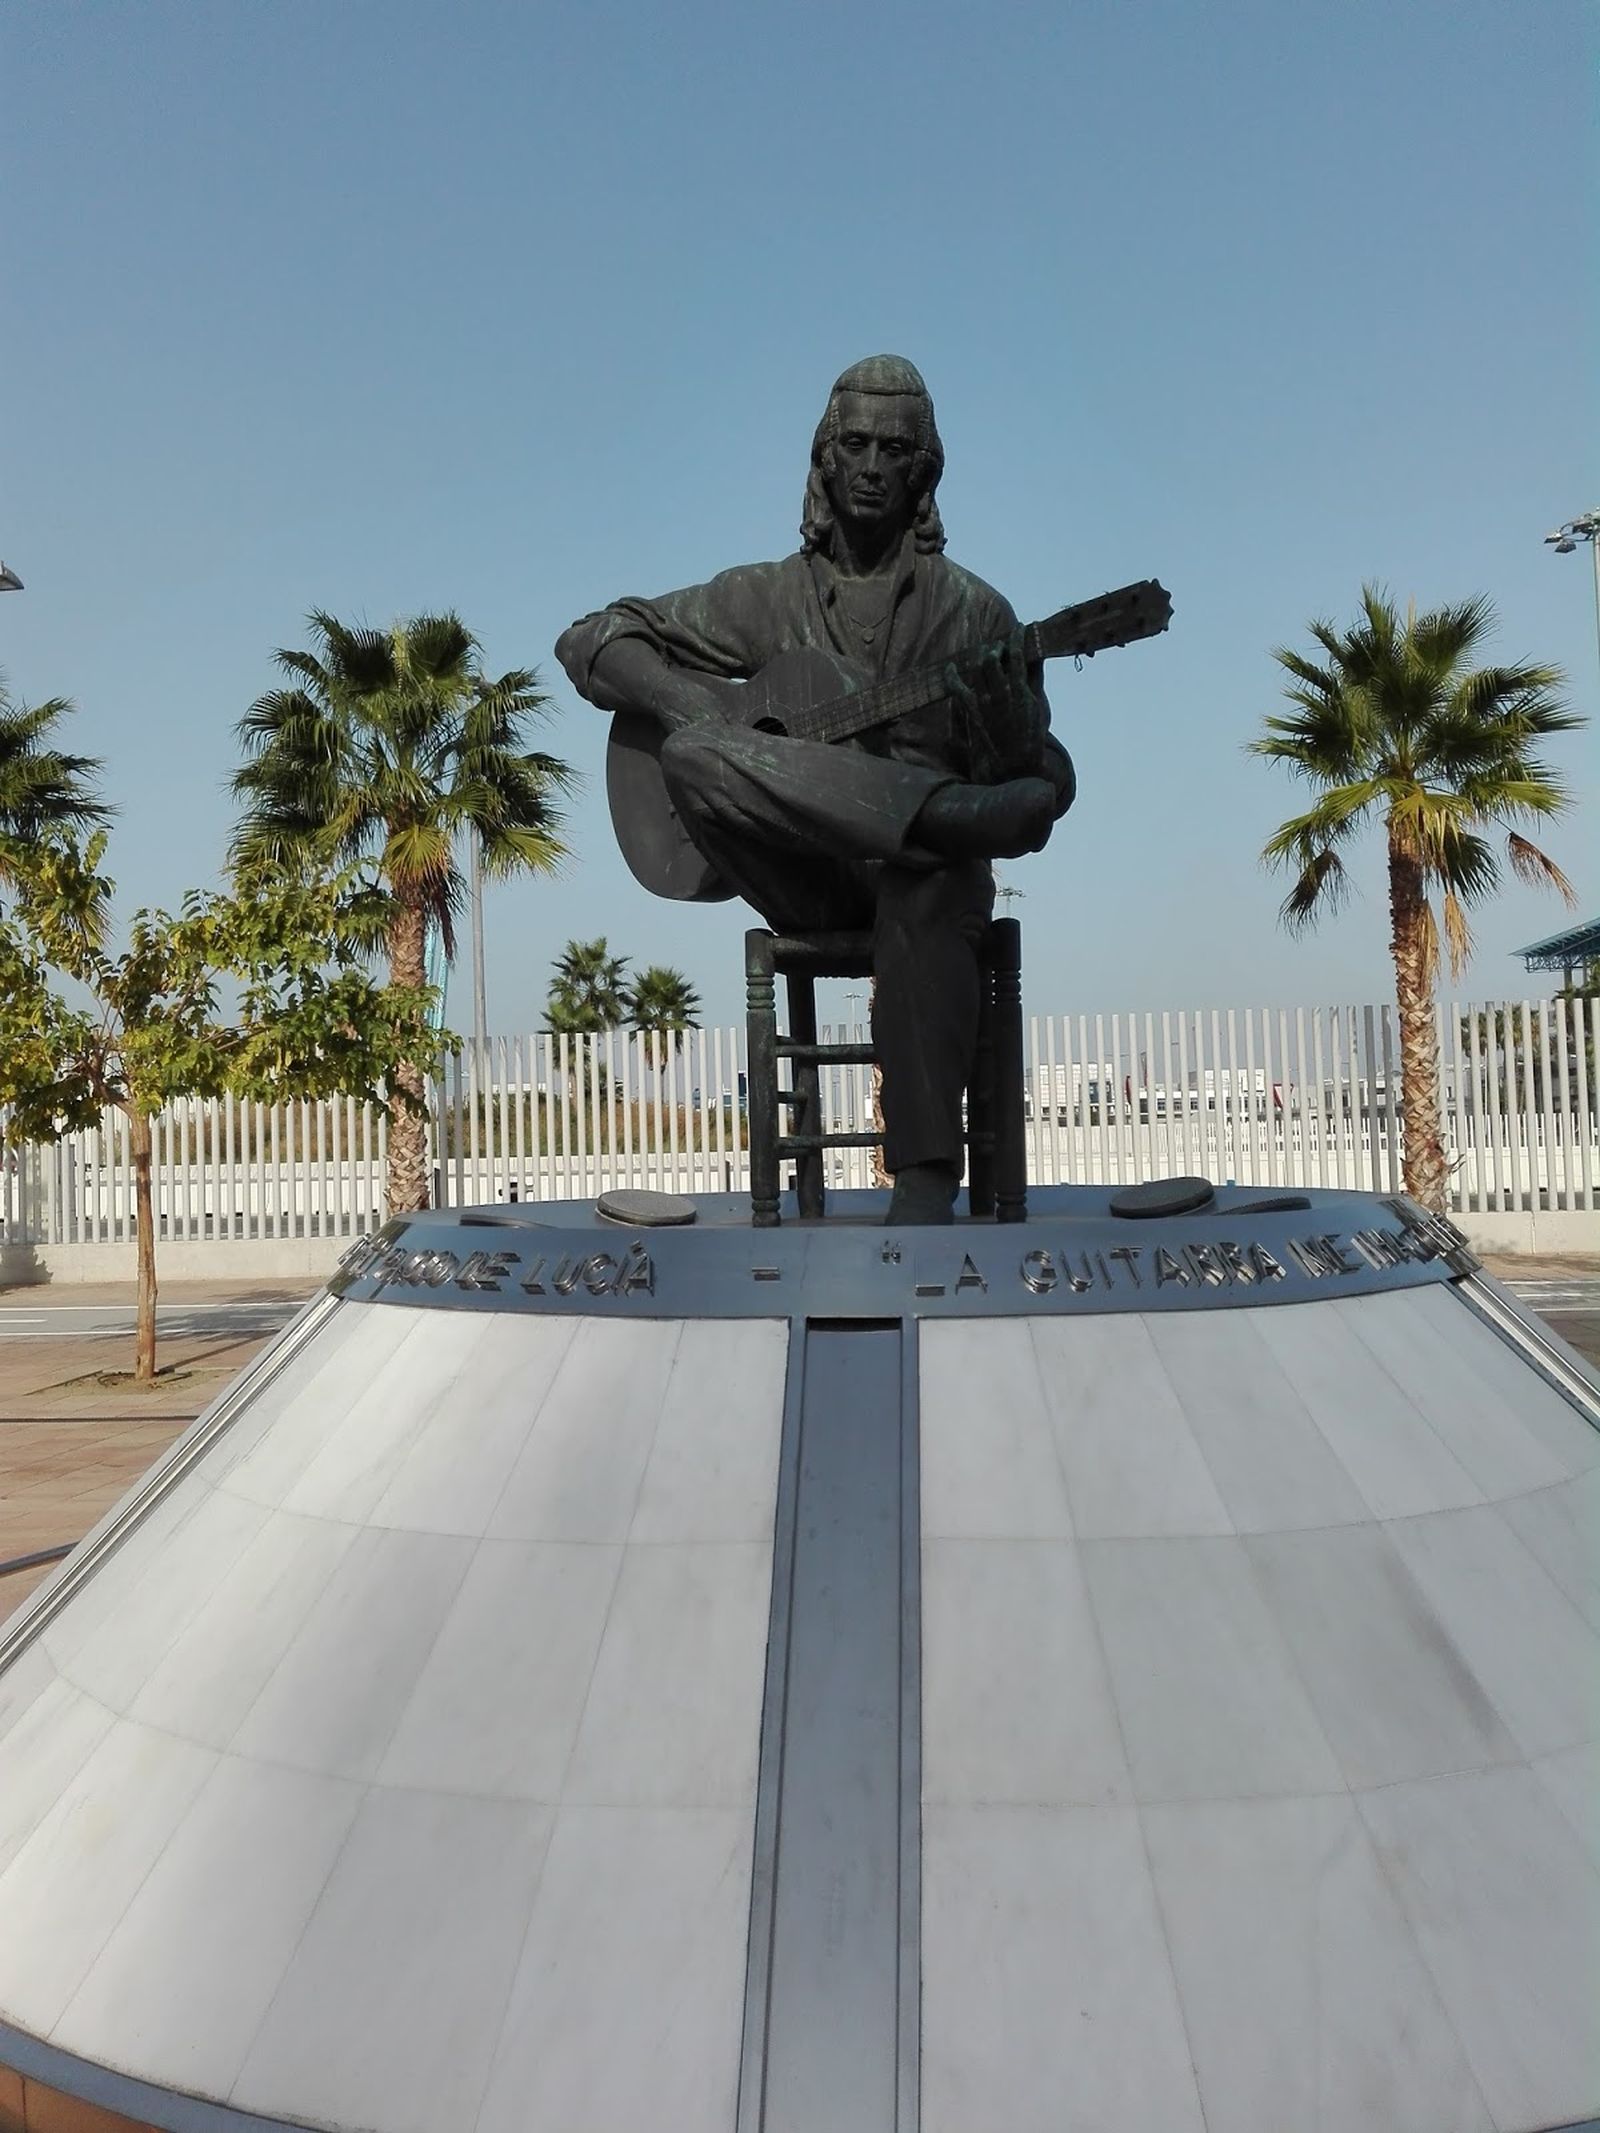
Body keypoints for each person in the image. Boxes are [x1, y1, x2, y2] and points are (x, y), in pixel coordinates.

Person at [556, 354, 1073, 1224]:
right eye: (857, 445)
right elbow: (592, 638)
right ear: (824, 460)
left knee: (931, 877)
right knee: (691, 758)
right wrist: (697, 708)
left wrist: (1022, 749)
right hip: (808, 873)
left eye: (895, 452)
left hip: (920, 885)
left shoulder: (979, 616)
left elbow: (1033, 774)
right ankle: (933, 814)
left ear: (925, 473)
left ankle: (923, 1179)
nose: (873, 467)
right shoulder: (765, 597)